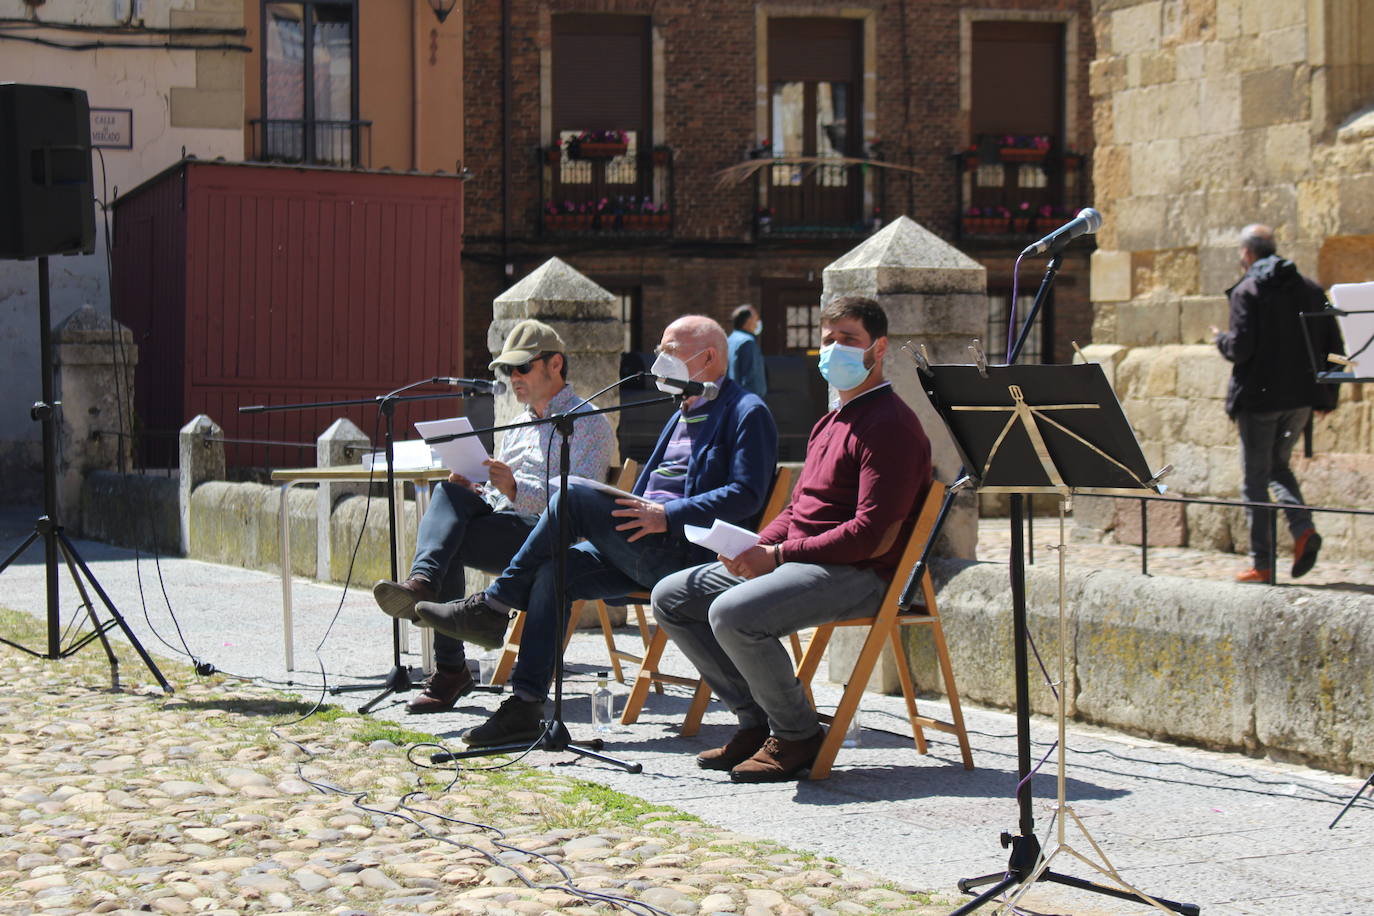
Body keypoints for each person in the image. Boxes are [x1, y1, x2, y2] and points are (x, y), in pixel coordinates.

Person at [413, 315, 779, 747]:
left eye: (669, 351)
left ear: (709, 357)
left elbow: (747, 494)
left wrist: (668, 515)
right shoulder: (680, 413)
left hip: (686, 554)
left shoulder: (745, 411)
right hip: (640, 545)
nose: (658, 359)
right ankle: (525, 707)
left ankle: (494, 604)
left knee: (575, 496)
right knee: (555, 567)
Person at [652, 296, 931, 782]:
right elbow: (797, 509)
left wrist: (777, 554)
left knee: (732, 614)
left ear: (879, 347)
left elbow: (871, 535)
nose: (834, 350)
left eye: (849, 340)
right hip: (803, 560)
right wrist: (752, 546)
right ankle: (757, 719)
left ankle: (797, 733)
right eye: (828, 340)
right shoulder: (829, 420)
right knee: (671, 597)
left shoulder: (890, 424)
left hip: (861, 572)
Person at [371, 319, 615, 712]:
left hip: (546, 534)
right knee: (450, 493)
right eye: (507, 370)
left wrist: (516, 489)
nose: (513, 378)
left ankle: (448, 661)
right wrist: (477, 485)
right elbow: (498, 493)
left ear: (555, 364)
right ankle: (424, 584)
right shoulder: (518, 423)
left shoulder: (588, 424)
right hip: (506, 522)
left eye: (522, 368)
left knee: (449, 540)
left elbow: (579, 501)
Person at [1211, 224, 1343, 584]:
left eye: (1241, 253)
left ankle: (1263, 564)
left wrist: (1220, 341)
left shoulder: (1248, 290)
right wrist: (1328, 395)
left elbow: (1241, 349)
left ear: (1248, 254)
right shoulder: (1311, 288)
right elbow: (1334, 341)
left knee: (1254, 480)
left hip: (1260, 400)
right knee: (1278, 468)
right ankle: (1302, 529)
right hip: (1301, 399)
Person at [727, 304, 767, 397]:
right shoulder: (747, 342)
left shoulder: (729, 341)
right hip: (746, 399)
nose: (758, 323)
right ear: (748, 321)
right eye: (756, 319)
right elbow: (752, 379)